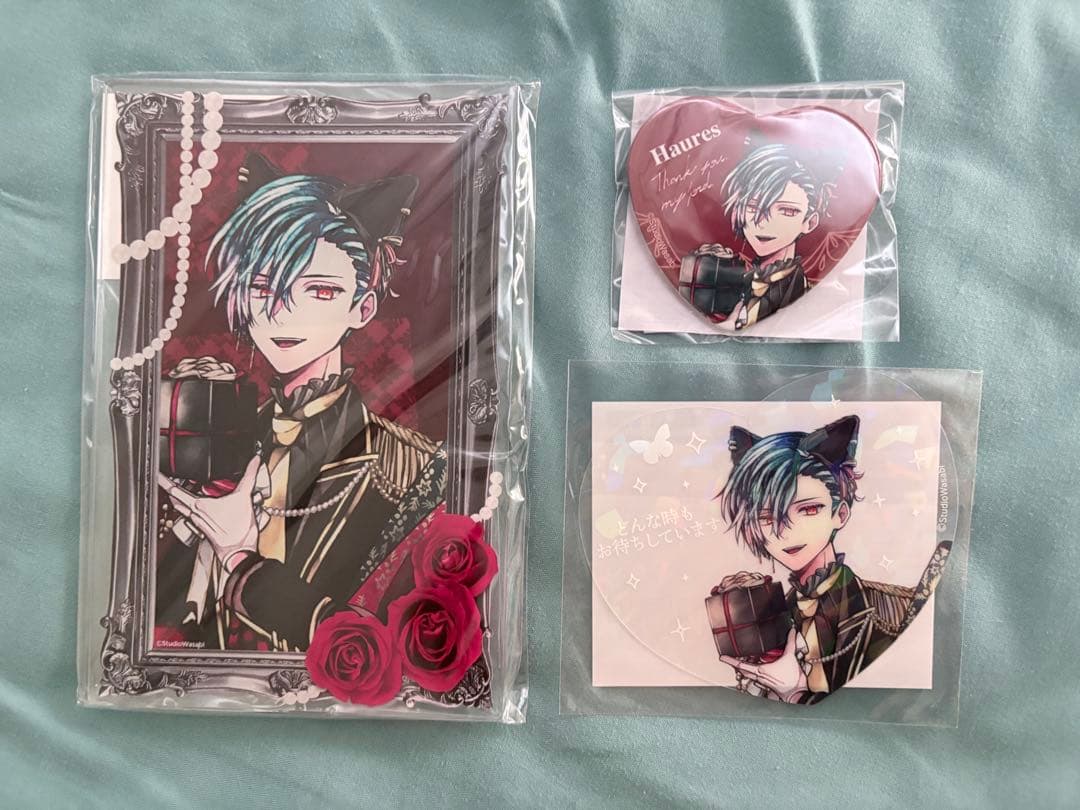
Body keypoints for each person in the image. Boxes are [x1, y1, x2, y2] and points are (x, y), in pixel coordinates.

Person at [158, 153, 444, 652]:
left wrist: (237, 553)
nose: (284, 313)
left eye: (321, 291)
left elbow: (381, 646)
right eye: (263, 287)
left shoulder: (410, 468)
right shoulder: (218, 437)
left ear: (363, 306)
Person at [713, 415, 914, 703]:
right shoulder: (772, 616)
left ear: (840, 514)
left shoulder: (895, 611)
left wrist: (794, 693)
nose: (786, 531)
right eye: (767, 517)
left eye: (808, 510)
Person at [678, 143, 826, 329]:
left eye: (787, 211)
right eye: (753, 207)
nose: (764, 222)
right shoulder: (730, 273)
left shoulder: (801, 292)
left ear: (809, 222)